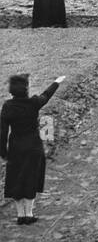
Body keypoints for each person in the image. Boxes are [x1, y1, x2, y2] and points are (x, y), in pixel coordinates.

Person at [1, 73, 66, 224]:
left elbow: (2, 132)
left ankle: (20, 215)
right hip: (33, 147)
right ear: (26, 89)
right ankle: (29, 214)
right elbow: (46, 95)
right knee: (31, 178)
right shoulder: (34, 103)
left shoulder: (7, 106)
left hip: (15, 148)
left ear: (11, 91)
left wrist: (3, 152)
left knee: (16, 179)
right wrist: (56, 82)